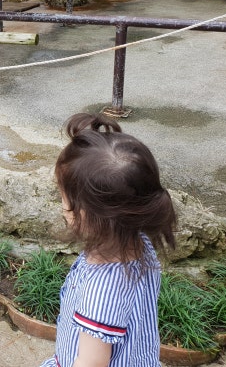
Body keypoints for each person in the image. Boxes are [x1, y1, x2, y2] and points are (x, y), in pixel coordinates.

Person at [40, 113, 176, 367]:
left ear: (88, 216)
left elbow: (90, 363)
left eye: (63, 196)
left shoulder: (101, 291)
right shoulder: (137, 239)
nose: (61, 205)